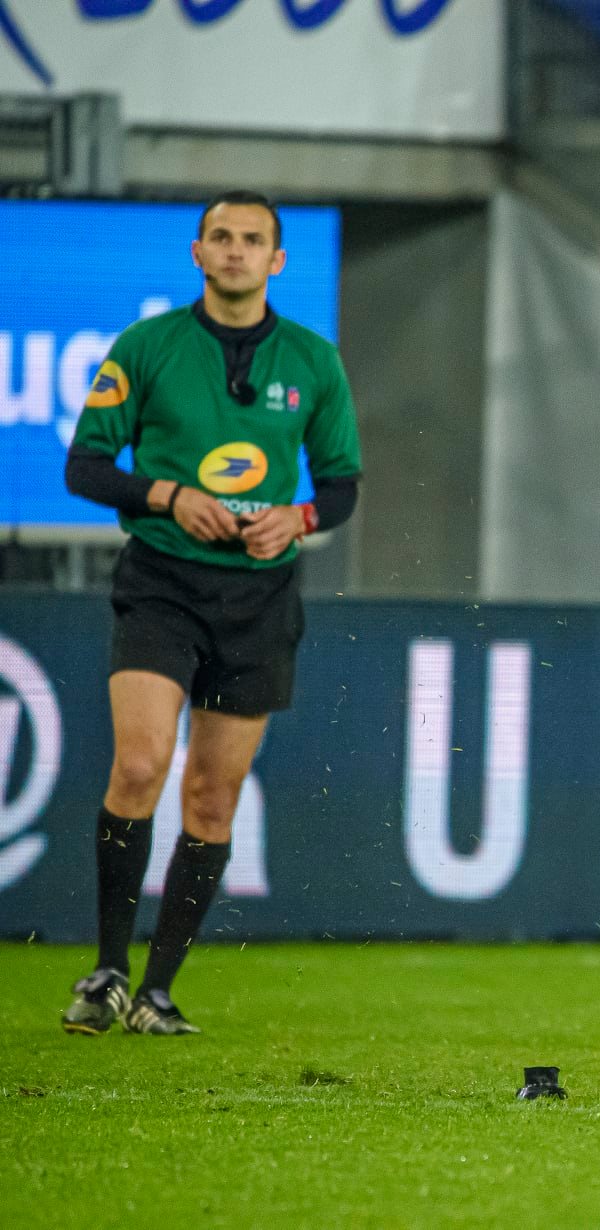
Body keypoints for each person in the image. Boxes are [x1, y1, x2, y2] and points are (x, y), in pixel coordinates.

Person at [58, 189, 362, 1036]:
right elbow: (85, 467)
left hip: (259, 595)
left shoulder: (313, 361)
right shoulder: (147, 345)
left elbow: (340, 488)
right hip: (162, 581)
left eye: (251, 239)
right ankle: (107, 972)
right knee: (139, 766)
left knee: (213, 798)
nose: (235, 250)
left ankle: (157, 993)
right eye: (220, 237)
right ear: (197, 253)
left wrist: (296, 517)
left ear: (277, 260)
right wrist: (167, 495)